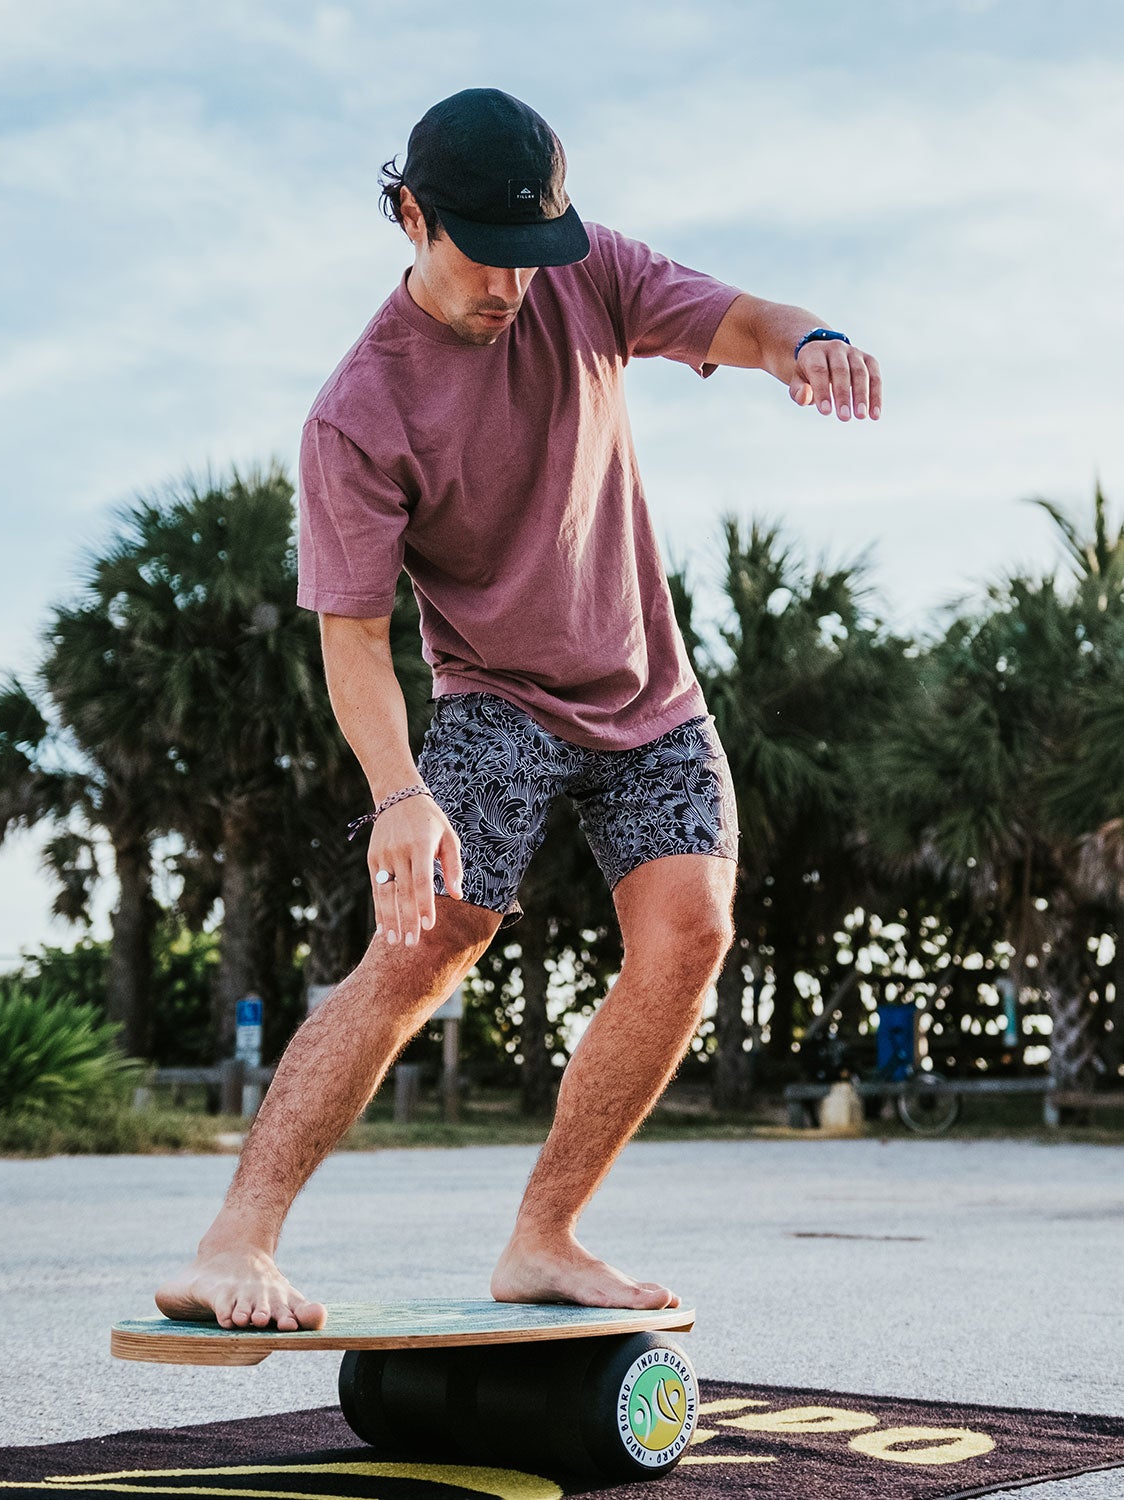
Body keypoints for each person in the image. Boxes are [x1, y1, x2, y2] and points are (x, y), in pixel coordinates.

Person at [157, 87, 882, 1333]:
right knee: (427, 945)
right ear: (409, 216)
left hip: (649, 691)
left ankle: (545, 1237)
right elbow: (351, 639)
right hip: (497, 694)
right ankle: (236, 1239)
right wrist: (399, 790)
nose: (510, 285)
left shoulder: (583, 272)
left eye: (530, 256)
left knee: (690, 936)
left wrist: (813, 340)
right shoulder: (359, 411)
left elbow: (750, 320)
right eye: (482, 255)